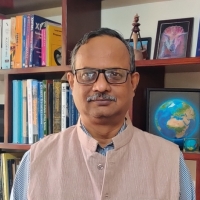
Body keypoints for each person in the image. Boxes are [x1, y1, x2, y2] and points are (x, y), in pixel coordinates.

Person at [11, 28, 195, 200]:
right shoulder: (36, 159)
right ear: (72, 83)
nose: (101, 86)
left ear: (133, 83)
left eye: (115, 74)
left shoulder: (170, 160)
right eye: (88, 74)